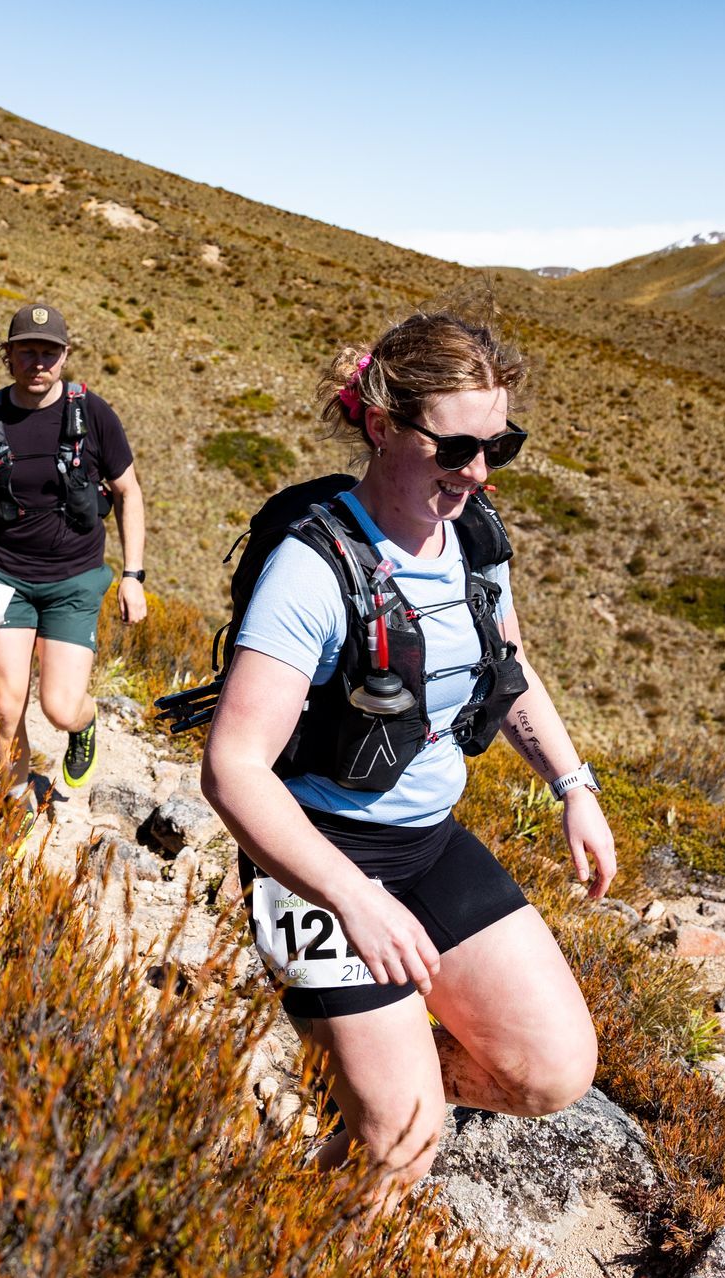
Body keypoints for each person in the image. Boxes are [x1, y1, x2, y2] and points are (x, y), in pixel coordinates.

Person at [199, 309, 616, 1206]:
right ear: (383, 424)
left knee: (551, 1073)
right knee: (402, 1142)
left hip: (425, 840)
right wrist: (353, 899)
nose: (476, 474)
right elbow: (232, 767)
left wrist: (572, 786)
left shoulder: (473, 541)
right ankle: (310, 1211)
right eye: (455, 448)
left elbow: (508, 667)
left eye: (498, 449)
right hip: (314, 860)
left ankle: (361, 1088)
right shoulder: (313, 571)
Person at [0, 304, 147, 802]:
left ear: (64, 357)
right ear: (8, 355)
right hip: (4, 574)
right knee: (5, 703)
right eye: (27, 351)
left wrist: (133, 575)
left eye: (49, 352)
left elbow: (128, 492)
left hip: (75, 578)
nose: (38, 361)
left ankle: (85, 722)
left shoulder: (93, 413)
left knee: (60, 707)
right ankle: (13, 808)